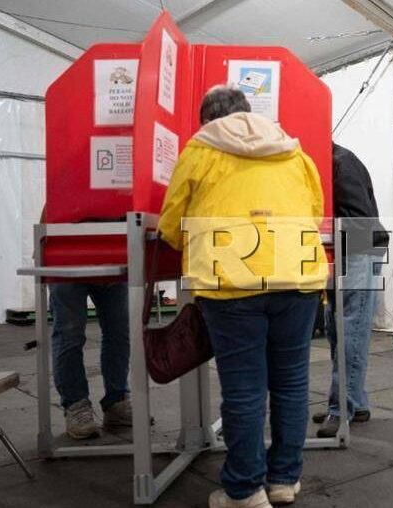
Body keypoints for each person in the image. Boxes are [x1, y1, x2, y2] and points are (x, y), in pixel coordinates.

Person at [158, 85, 328, 508]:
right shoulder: (294, 152)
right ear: (249, 111)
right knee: (290, 383)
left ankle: (244, 490)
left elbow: (171, 222)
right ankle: (284, 480)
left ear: (206, 120)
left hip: (231, 280)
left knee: (244, 389)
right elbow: (315, 209)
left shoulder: (200, 150)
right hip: (297, 276)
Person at [311, 144, 389, 438]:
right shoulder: (329, 161)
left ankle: (341, 408)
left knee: (349, 330)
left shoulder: (341, 163)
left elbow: (359, 220)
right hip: (343, 251)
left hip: (358, 249)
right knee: (336, 328)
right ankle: (356, 403)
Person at [49, 282, 132, 440]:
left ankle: (117, 402)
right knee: (69, 333)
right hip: (64, 261)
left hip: (110, 259)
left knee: (119, 331)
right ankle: (75, 405)